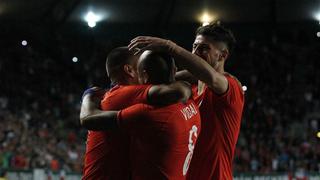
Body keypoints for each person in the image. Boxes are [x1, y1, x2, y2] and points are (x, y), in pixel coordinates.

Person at [128, 23, 244, 180]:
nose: (196, 52)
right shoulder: (191, 90)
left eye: (204, 48)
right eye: (194, 46)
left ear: (223, 55)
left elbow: (212, 77)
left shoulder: (231, 87)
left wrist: (169, 46)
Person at [80, 51, 201, 180]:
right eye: (142, 68)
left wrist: (87, 95)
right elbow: (179, 90)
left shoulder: (123, 97)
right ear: (130, 70)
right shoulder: (121, 97)